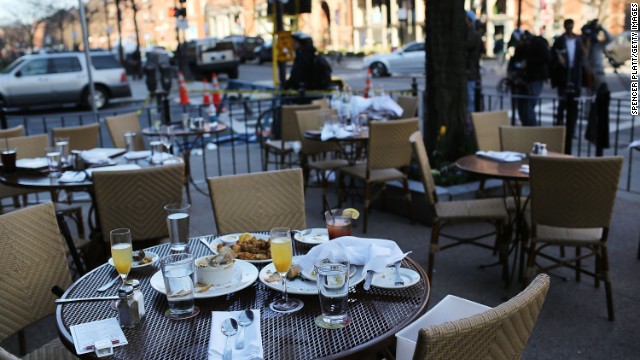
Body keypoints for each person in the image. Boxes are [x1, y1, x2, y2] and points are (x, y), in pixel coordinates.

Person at [551, 18, 585, 154]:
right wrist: (558, 59)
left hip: (575, 76)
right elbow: (552, 54)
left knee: (574, 106)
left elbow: (583, 56)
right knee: (562, 104)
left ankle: (572, 129)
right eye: (568, 27)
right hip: (563, 76)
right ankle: (559, 128)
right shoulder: (559, 41)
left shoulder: (578, 40)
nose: (569, 29)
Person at [508, 30, 550, 126]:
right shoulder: (520, 49)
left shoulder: (537, 44)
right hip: (523, 81)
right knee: (522, 108)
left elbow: (546, 58)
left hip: (535, 79)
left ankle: (532, 132)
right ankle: (525, 130)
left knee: (528, 107)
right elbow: (514, 61)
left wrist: (527, 63)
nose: (518, 45)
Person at [465, 10, 483, 116]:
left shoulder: (473, 35)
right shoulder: (471, 34)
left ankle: (470, 126)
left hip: (470, 74)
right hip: (469, 74)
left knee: (470, 102)